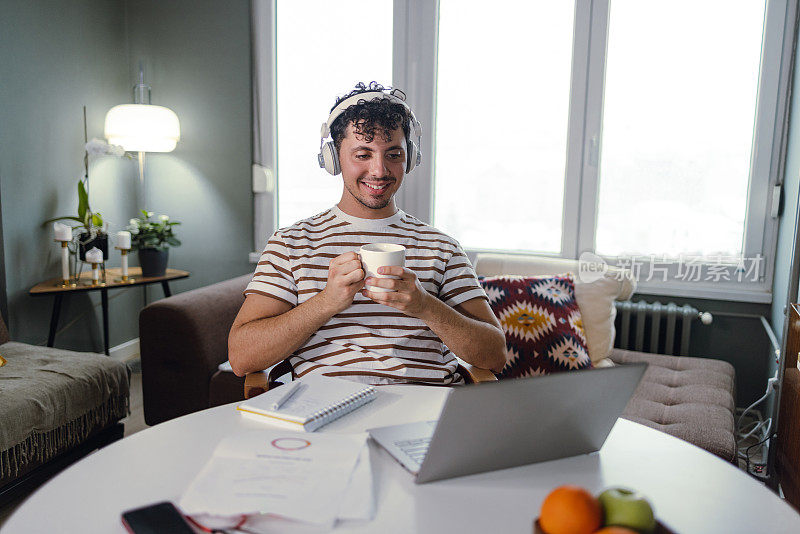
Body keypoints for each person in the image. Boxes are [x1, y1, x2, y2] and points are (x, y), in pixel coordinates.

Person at [229, 82, 506, 385]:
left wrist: (425, 306)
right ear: (333, 158)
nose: (379, 170)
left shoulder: (442, 247)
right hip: (325, 413)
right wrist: (327, 302)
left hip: (424, 414)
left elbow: (494, 355)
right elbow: (242, 358)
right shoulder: (291, 243)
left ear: (410, 158)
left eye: (393, 154)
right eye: (363, 154)